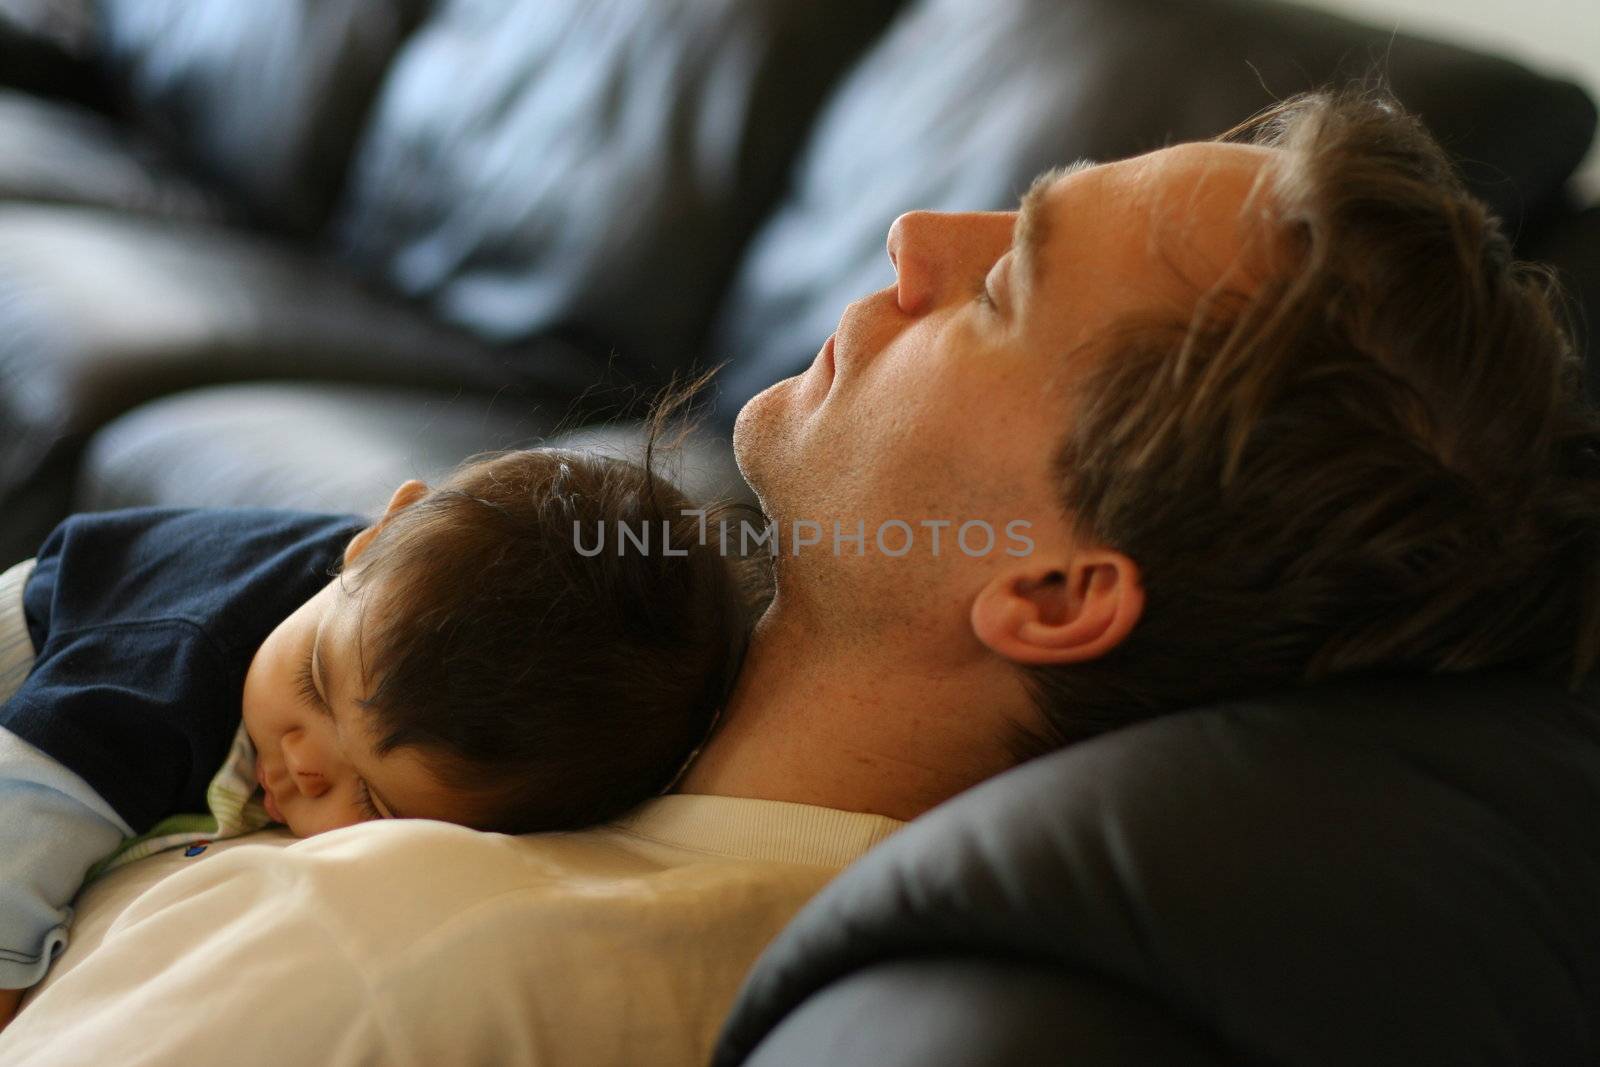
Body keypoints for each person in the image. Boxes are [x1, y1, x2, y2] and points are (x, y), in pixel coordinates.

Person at [2, 87, 1594, 1065]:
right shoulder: (576, 752)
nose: (917, 237)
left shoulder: (398, 960)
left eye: (1013, 275)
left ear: (1048, 592)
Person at [0, 443, 754, 1030]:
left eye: (374, 798)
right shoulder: (165, 665)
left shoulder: (379, 619)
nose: (302, 760)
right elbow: (20, 825)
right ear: (378, 534)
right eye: (314, 682)